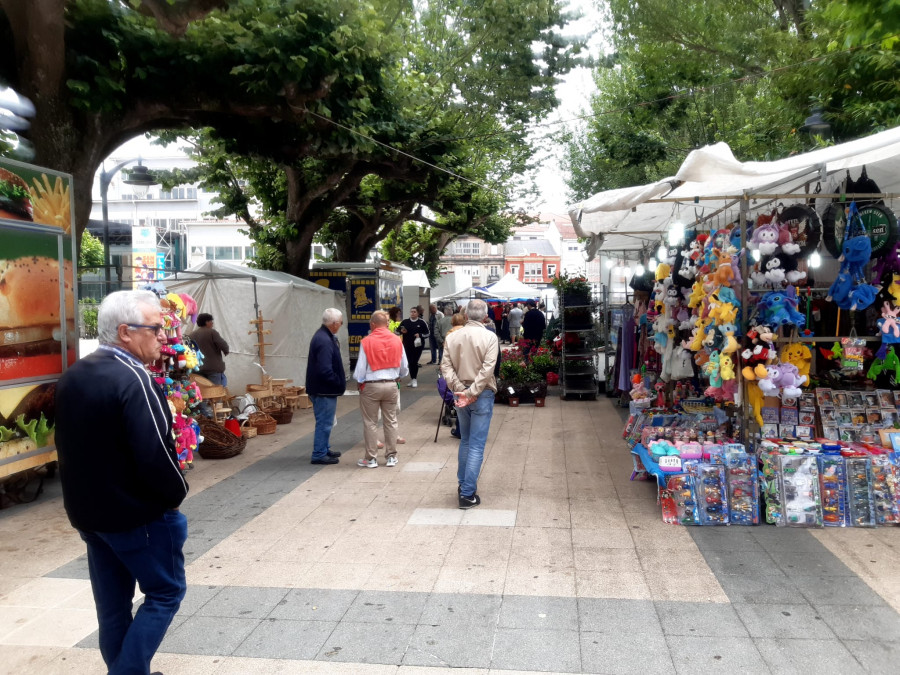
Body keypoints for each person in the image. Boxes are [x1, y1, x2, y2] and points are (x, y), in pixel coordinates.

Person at [55, 290, 189, 675]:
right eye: (156, 329)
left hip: (90, 516)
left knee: (113, 608)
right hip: (137, 516)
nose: (163, 337)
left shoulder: (75, 374)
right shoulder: (134, 378)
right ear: (127, 332)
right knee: (165, 592)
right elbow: (156, 454)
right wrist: (176, 495)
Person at [441, 299, 498, 509]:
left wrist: (461, 391)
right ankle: (467, 493)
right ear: (484, 317)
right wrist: (472, 392)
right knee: (475, 444)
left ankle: (463, 484)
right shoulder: (490, 337)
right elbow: (488, 369)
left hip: (460, 393)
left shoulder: (452, 337)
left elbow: (445, 367)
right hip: (480, 394)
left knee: (465, 441)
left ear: (465, 316)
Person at [354, 310, 409, 468]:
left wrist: (360, 382)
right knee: (390, 421)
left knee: (370, 422)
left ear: (372, 324)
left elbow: (360, 370)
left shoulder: (366, 341)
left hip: (371, 385)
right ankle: (391, 456)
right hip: (391, 384)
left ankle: (371, 459)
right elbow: (404, 366)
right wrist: (399, 376)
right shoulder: (397, 340)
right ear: (386, 324)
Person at [306, 308, 347, 465]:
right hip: (323, 389)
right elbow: (324, 369)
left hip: (321, 388)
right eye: (341, 323)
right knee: (324, 422)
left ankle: (324, 448)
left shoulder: (323, 336)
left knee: (325, 421)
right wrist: (338, 382)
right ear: (335, 324)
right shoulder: (324, 340)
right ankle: (319, 453)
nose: (341, 325)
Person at [191, 312, 230, 386]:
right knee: (215, 392)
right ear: (206, 322)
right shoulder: (212, 332)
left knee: (202, 392)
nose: (212, 323)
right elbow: (223, 345)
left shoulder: (192, 335)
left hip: (197, 368)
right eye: (211, 321)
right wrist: (226, 351)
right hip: (213, 368)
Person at [398, 306, 429, 388]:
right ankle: (412, 379)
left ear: (418, 313)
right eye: (411, 312)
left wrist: (420, 335)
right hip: (407, 345)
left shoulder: (422, 322)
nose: (412, 313)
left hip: (418, 346)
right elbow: (397, 332)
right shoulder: (405, 322)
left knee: (414, 362)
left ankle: (414, 379)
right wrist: (401, 331)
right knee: (410, 362)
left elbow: (428, 333)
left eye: (414, 312)